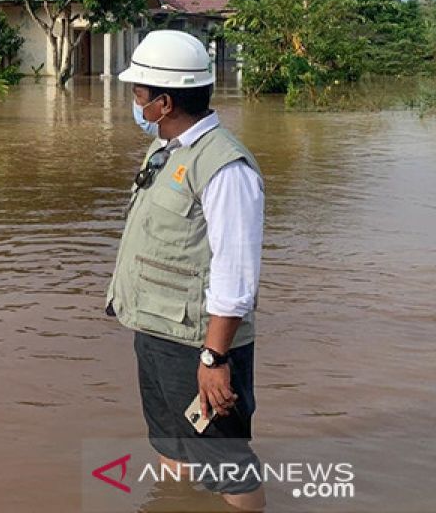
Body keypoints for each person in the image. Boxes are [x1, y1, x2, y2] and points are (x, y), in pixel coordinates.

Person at [104, 30, 266, 512]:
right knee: (171, 443)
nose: (134, 103)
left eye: (138, 94)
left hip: (200, 344)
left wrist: (214, 359)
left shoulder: (225, 168)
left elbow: (236, 276)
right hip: (156, 330)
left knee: (227, 464)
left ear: (164, 102)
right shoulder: (165, 151)